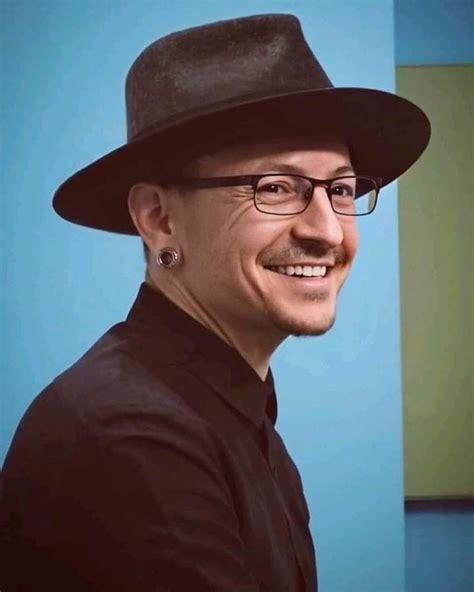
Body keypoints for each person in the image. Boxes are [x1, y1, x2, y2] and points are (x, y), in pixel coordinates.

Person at [0, 13, 430, 592]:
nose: (328, 231)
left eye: (343, 189)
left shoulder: (238, 421)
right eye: (276, 187)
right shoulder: (132, 439)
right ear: (159, 218)